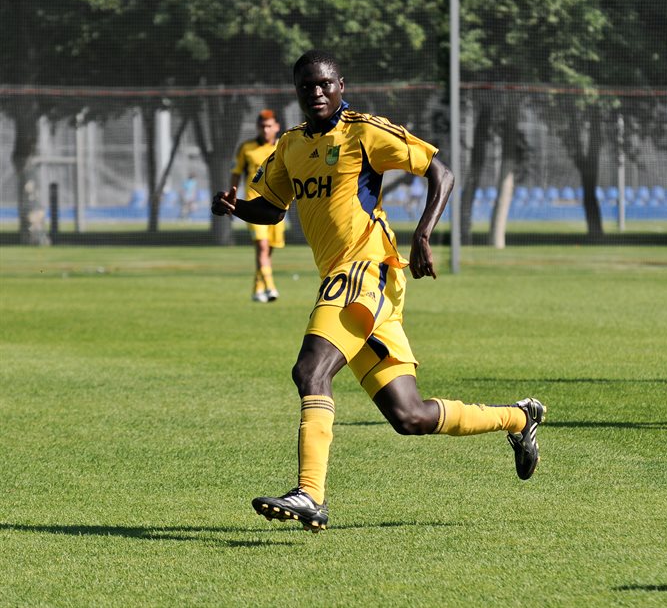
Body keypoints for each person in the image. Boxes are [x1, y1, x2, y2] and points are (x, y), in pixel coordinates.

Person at [211, 50, 546, 532]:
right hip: (353, 282)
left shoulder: (363, 131)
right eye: (307, 86)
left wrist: (423, 234)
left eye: (325, 84)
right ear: (297, 91)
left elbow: (441, 171)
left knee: (310, 370)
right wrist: (238, 207)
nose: (316, 92)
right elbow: (273, 208)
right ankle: (517, 419)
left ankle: (310, 494)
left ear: (341, 86)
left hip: (365, 271)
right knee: (410, 416)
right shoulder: (289, 146)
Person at [230, 109, 284, 302]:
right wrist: (231, 199)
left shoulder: (284, 146)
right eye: (262, 126)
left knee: (268, 250)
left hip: (276, 206)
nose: (265, 130)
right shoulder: (247, 148)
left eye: (269, 126)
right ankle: (270, 288)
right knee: (262, 247)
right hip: (253, 207)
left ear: (276, 127)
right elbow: (236, 173)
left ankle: (257, 290)